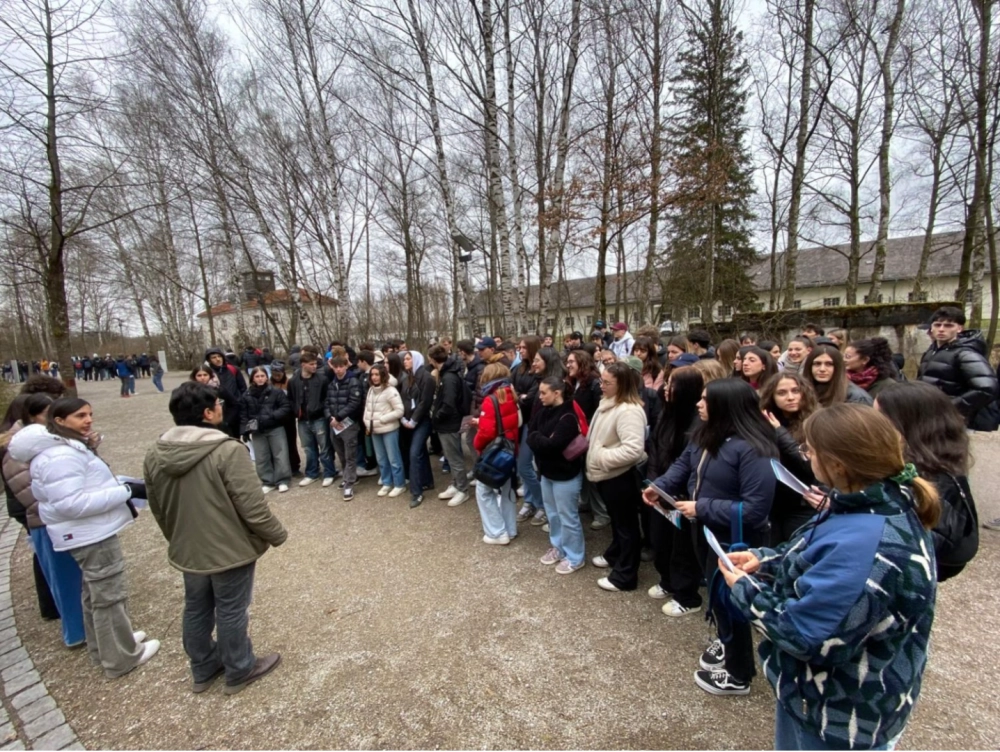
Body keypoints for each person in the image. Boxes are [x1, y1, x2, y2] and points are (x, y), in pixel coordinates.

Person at [723, 404, 939, 749]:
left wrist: (745, 590)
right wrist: (763, 561)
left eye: (809, 449)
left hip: (839, 715)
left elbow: (809, 636)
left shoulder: (871, 548)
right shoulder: (869, 502)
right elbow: (817, 553)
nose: (805, 455)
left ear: (837, 464)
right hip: (822, 698)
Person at [144, 382, 286, 695]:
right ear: (208, 413)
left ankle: (203, 667)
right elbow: (252, 505)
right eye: (217, 403)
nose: (222, 406)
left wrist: (177, 538)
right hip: (228, 548)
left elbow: (157, 507)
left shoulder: (156, 452)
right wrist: (277, 535)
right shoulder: (227, 451)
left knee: (196, 608)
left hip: (188, 548)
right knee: (232, 609)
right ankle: (240, 667)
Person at [8, 398, 159, 677]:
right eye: (80, 416)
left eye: (89, 414)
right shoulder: (60, 456)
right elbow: (71, 504)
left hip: (86, 531)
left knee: (94, 592)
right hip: (89, 533)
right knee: (108, 594)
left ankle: (106, 644)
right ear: (60, 421)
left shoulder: (62, 449)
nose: (88, 420)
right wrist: (126, 491)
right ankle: (121, 657)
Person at [645, 379, 777, 696]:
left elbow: (756, 509)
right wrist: (659, 486)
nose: (698, 404)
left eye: (706, 400)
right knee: (719, 600)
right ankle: (726, 641)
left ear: (725, 406)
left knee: (732, 602)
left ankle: (738, 674)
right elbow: (684, 465)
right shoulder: (706, 435)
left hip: (735, 542)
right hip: (705, 532)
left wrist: (702, 507)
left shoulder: (754, 449)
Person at [876, 382, 979, 581]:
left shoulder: (930, 475)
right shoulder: (932, 456)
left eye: (880, 418)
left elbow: (922, 543)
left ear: (906, 422)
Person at [1, 394, 81, 639]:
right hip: (46, 519)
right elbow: (29, 492)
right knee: (64, 578)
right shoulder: (19, 449)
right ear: (31, 414)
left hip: (53, 516)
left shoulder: (42, 440)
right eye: (49, 412)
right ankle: (76, 631)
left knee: (74, 576)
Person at [644, 366, 705, 616]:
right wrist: (654, 482)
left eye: (672, 384)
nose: (666, 388)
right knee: (660, 541)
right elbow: (655, 448)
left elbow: (688, 463)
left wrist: (672, 491)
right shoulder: (666, 414)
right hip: (661, 488)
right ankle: (667, 580)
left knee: (683, 549)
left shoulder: (697, 423)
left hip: (681, 497)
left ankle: (687, 596)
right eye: (666, 382)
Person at [587, 362, 647, 592]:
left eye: (606, 383)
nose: (601, 386)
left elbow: (633, 450)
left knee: (627, 526)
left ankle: (625, 576)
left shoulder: (628, 411)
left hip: (619, 477)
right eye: (601, 381)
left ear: (621, 385)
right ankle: (615, 555)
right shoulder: (610, 403)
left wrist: (601, 456)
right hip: (608, 476)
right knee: (618, 522)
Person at [526, 376, 587, 574]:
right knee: (552, 514)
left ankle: (575, 556)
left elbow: (554, 446)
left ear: (557, 393)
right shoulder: (544, 412)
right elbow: (531, 436)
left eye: (544, 393)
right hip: (547, 473)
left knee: (567, 516)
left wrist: (540, 440)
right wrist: (541, 439)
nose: (540, 397)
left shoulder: (568, 417)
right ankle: (558, 547)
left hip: (565, 475)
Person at [759, 373, 820, 544]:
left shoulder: (815, 421)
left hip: (803, 503)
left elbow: (809, 464)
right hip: (774, 502)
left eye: (795, 391)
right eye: (782, 393)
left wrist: (779, 432)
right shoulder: (765, 422)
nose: (791, 397)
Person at [916, 305, 998, 427]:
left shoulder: (966, 354)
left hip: (950, 420)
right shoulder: (932, 351)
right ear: (931, 327)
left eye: (948, 325)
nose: (941, 329)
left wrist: (952, 407)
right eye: (937, 325)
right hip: (929, 416)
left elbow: (986, 388)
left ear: (959, 328)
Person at [472, 363, 520, 544]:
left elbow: (486, 432)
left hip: (494, 451)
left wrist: (477, 444)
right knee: (507, 490)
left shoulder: (490, 399)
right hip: (509, 449)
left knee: (483, 491)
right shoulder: (510, 395)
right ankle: (510, 528)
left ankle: (497, 532)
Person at [428, 346, 470, 507]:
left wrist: (437, 416)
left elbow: (449, 403)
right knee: (450, 456)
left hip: (449, 423)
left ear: (432, 359)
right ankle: (455, 483)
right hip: (446, 423)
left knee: (454, 457)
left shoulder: (449, 378)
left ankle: (462, 489)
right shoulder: (447, 373)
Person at [239, 367, 292, 494]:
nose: (260, 378)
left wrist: (273, 416)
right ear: (252, 378)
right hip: (257, 430)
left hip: (275, 427)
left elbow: (285, 407)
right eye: (257, 376)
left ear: (267, 377)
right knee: (262, 457)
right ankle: (267, 481)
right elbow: (243, 415)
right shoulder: (246, 395)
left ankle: (282, 480)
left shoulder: (276, 392)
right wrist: (244, 430)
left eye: (262, 376)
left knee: (280, 455)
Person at [287, 352, 336, 488]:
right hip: (302, 419)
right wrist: (296, 410)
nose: (315, 366)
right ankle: (312, 473)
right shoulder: (293, 381)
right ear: (303, 365)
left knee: (324, 447)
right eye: (311, 364)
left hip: (319, 418)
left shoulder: (322, 379)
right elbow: (291, 399)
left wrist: (320, 409)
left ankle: (329, 472)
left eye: (315, 364)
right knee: (308, 448)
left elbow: (327, 398)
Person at [512, 337, 543, 523]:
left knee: (525, 465)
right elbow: (509, 390)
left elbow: (531, 398)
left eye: (524, 347)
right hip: (518, 421)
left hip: (532, 422)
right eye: (519, 347)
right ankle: (530, 501)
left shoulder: (539, 372)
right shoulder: (519, 368)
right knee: (521, 465)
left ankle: (541, 504)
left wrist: (520, 396)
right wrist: (519, 396)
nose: (520, 350)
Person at [363, 363, 406, 497]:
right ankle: (387, 482)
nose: (374, 377)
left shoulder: (391, 391)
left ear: (383, 375)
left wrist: (383, 419)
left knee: (394, 458)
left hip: (389, 430)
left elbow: (399, 410)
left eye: (377, 374)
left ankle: (399, 484)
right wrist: (367, 421)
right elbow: (367, 408)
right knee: (381, 459)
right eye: (372, 375)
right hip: (375, 430)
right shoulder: (371, 390)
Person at [325, 355, 364, 501]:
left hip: (349, 424)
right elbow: (327, 403)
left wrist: (339, 417)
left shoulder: (353, 381)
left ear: (346, 366)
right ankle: (347, 476)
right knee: (340, 454)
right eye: (336, 367)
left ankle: (349, 484)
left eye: (341, 366)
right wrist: (331, 418)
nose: (339, 369)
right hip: (334, 425)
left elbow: (354, 403)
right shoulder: (331, 384)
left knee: (350, 455)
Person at [401, 351, 436, 508]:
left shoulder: (426, 377)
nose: (405, 361)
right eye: (404, 359)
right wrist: (404, 417)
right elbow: (405, 399)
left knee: (414, 453)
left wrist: (414, 420)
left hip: (422, 421)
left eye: (408, 359)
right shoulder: (408, 377)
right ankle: (427, 481)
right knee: (419, 450)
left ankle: (416, 493)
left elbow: (424, 402)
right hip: (410, 420)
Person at [803, 344, 873, 407]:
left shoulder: (857, 398)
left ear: (838, 367)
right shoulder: (803, 391)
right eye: (817, 364)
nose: (822, 369)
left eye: (829, 364)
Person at [205, 347, 248, 438]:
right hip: (217, 410)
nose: (217, 359)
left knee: (235, 438)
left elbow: (243, 388)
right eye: (214, 357)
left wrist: (240, 401)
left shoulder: (233, 369)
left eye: (219, 356)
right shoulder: (207, 373)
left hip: (235, 409)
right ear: (209, 360)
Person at [269, 366, 301, 477]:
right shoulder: (269, 384)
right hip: (274, 418)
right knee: (277, 445)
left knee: (291, 443)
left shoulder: (289, 383)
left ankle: (294, 466)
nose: (277, 377)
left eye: (279, 374)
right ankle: (278, 468)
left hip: (288, 417)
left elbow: (293, 398)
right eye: (274, 374)